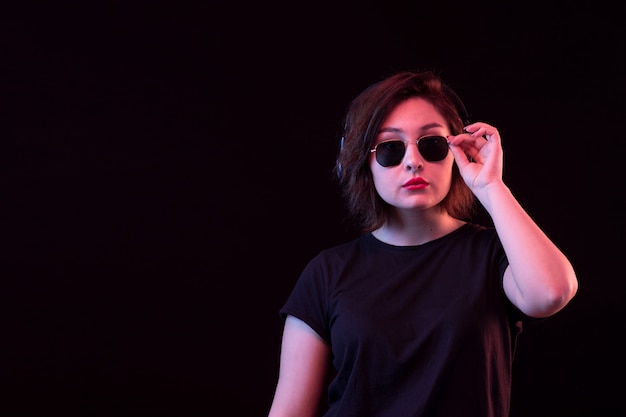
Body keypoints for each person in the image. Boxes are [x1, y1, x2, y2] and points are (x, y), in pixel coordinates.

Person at [267, 70, 578, 417]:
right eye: (390, 149)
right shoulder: (326, 273)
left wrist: (491, 188)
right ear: (363, 162)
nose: (413, 161)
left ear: (457, 150)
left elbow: (551, 292)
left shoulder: (494, 256)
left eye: (432, 144)